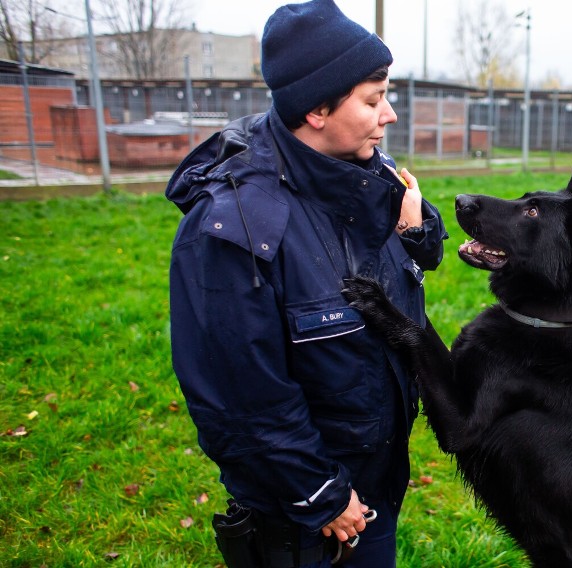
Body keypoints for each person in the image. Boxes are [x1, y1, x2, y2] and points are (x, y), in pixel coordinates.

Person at [165, 1, 447, 566]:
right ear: (317, 110)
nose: (389, 115)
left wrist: (417, 233)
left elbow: (396, 282)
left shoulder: (363, 175)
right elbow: (239, 399)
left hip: (374, 483)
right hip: (310, 518)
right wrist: (322, 495)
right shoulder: (234, 229)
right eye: (373, 100)